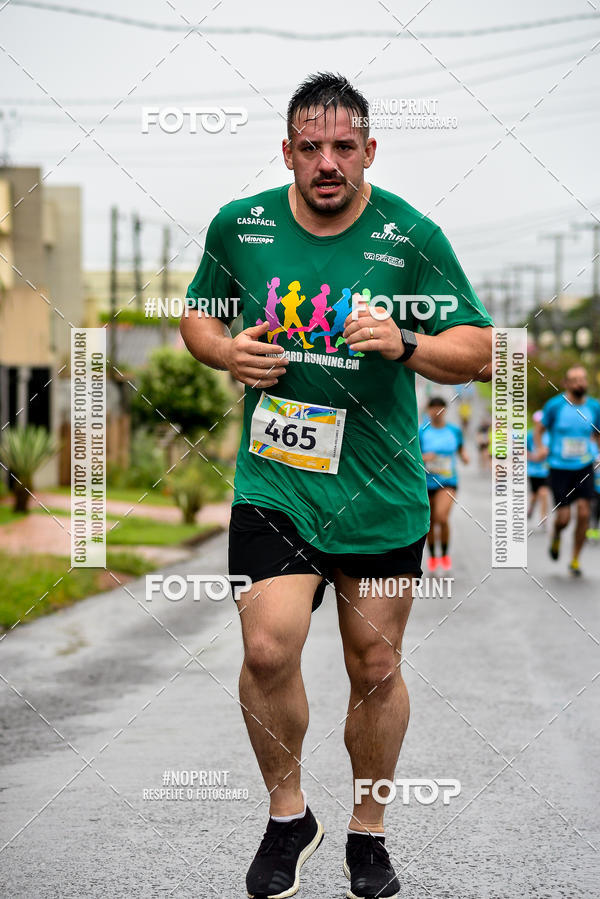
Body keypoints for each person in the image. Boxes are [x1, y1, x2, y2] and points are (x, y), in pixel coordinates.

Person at [181, 72, 493, 899]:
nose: (328, 162)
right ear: (286, 151)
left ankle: (368, 830)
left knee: (376, 664)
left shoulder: (411, 236)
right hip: (277, 481)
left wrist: (405, 343)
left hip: (381, 490)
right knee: (266, 646)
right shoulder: (240, 225)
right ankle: (289, 816)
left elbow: (481, 348)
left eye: (343, 147)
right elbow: (198, 314)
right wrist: (225, 351)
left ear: (369, 151)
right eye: (310, 146)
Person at [535, 366, 600, 576]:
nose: (580, 383)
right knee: (564, 518)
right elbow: (539, 429)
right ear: (566, 383)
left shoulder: (594, 407)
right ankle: (556, 534)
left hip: (584, 465)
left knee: (584, 512)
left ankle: (575, 559)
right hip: (559, 468)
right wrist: (541, 448)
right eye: (575, 380)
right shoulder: (555, 406)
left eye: (583, 379)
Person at [419, 397, 468, 571]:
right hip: (426, 482)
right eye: (433, 408)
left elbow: (461, 449)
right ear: (428, 411)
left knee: (441, 517)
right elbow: (412, 456)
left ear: (445, 410)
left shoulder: (454, 431)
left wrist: (464, 456)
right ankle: (433, 556)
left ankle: (445, 554)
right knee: (430, 522)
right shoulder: (422, 431)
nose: (436, 411)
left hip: (448, 481)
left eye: (440, 408)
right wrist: (424, 457)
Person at [527, 410, 550, 528]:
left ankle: (543, 518)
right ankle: (531, 507)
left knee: (544, 493)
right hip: (533, 470)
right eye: (537, 422)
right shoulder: (529, 435)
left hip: (546, 470)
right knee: (535, 494)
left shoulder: (550, 436)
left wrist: (546, 454)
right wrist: (533, 457)